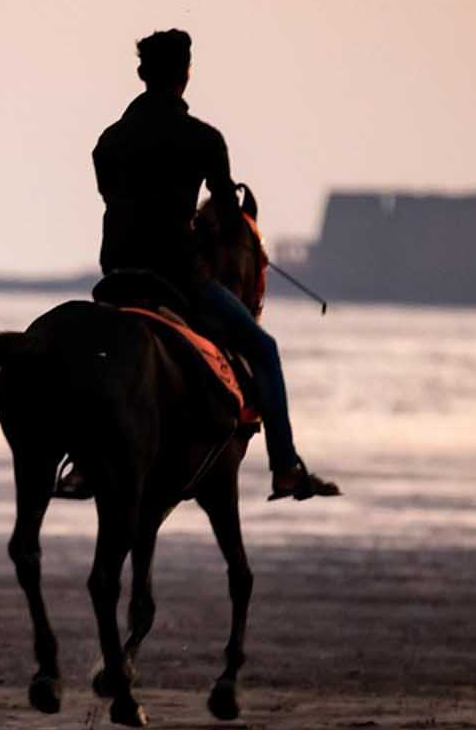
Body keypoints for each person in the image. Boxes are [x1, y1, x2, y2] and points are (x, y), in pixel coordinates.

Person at [90, 28, 339, 501]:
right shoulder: (203, 139)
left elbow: (112, 197)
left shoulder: (109, 141)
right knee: (263, 350)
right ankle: (285, 466)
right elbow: (227, 218)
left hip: (116, 276)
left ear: (142, 75)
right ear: (185, 76)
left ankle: (82, 465)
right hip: (178, 278)